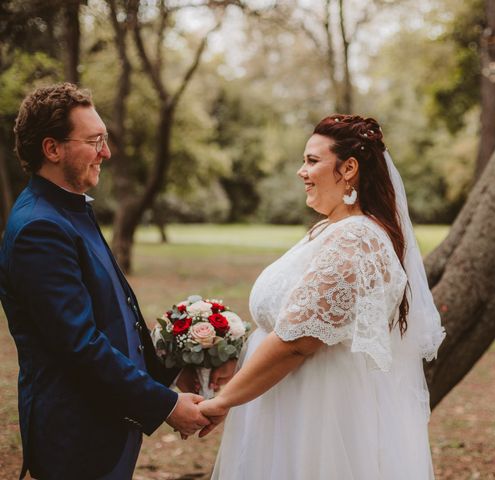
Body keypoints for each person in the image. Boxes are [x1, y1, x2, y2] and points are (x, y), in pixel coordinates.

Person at [0, 83, 232, 480]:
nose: (106, 152)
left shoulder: (69, 208)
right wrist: (167, 406)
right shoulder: (40, 226)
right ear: (52, 149)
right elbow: (80, 346)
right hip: (75, 437)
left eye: (104, 139)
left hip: (107, 417)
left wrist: (170, 375)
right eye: (94, 141)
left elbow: (117, 313)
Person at [197, 114, 446, 479]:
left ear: (348, 168)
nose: (302, 171)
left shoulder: (356, 239)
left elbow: (296, 341)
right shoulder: (329, 229)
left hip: (317, 415)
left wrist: (222, 402)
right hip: (284, 402)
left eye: (312, 161)